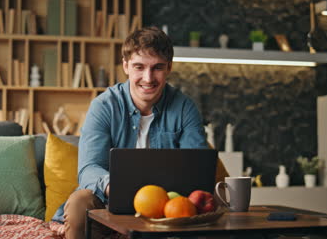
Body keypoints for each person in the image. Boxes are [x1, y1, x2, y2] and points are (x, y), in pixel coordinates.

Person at [52, 26, 228, 239]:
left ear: (169, 68)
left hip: (166, 211)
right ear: (126, 66)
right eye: (139, 67)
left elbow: (198, 169)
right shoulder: (103, 106)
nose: (148, 78)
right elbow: (88, 169)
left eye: (157, 68)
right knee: (80, 202)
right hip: (108, 206)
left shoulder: (184, 108)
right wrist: (118, 187)